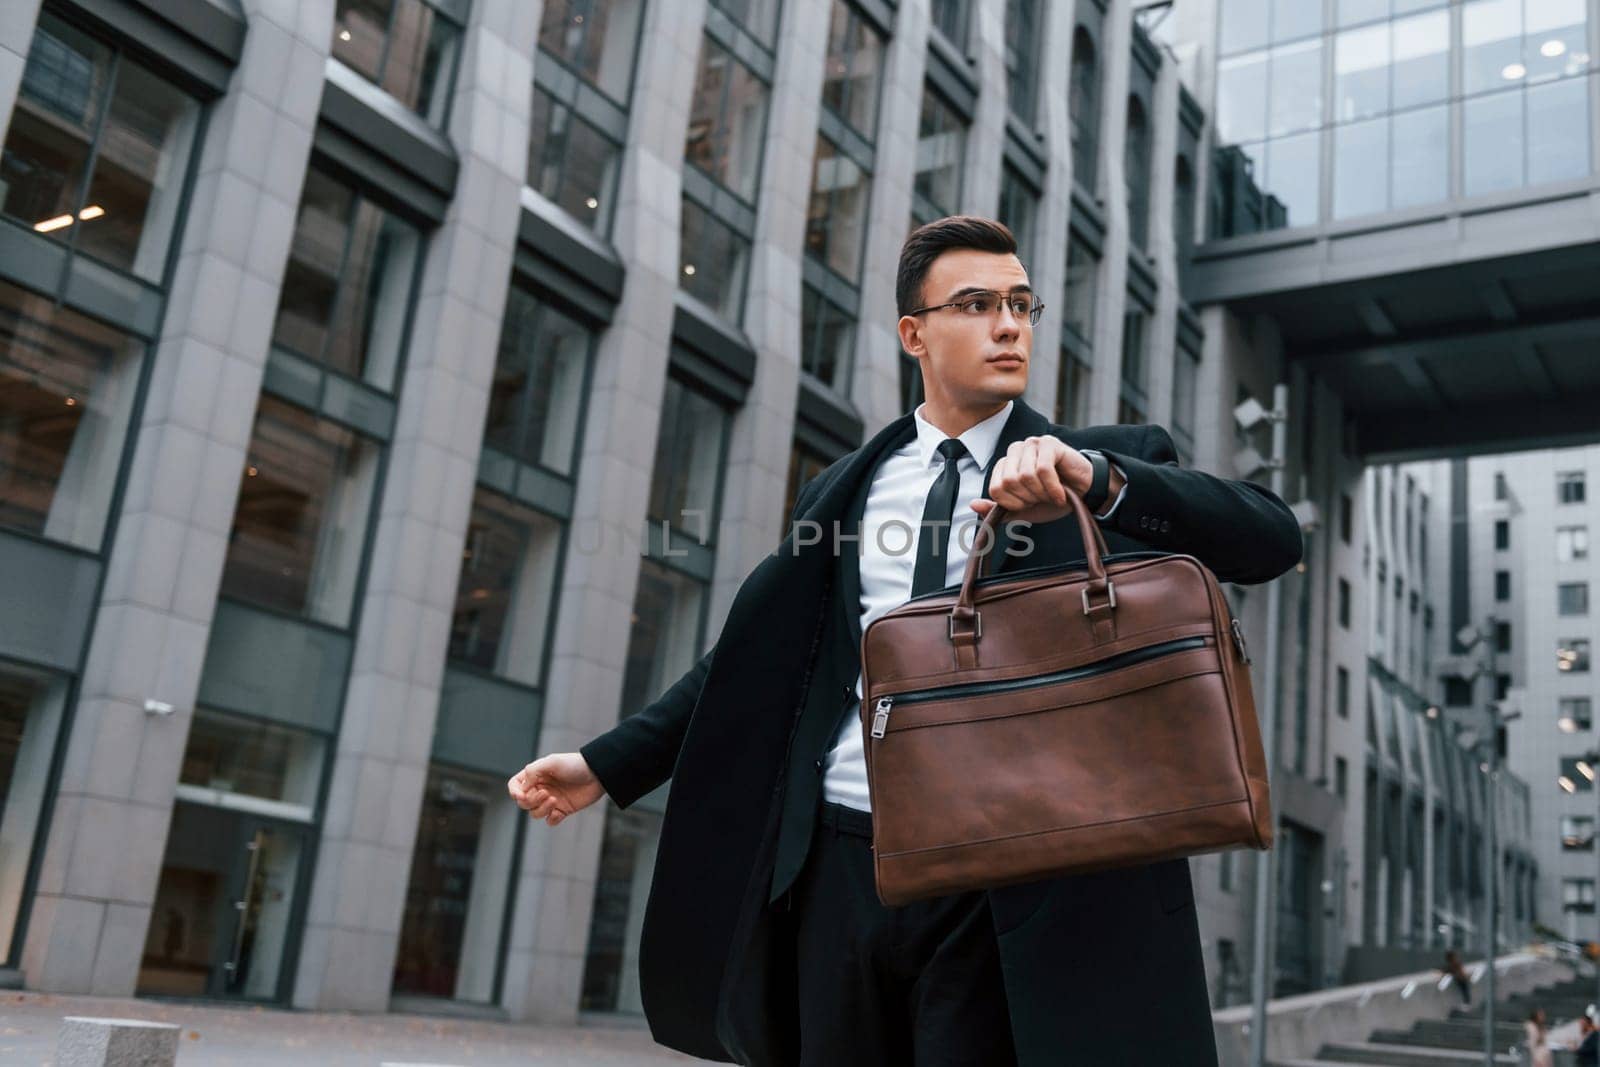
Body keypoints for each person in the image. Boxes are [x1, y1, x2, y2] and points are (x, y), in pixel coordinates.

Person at [507, 216, 1304, 1066]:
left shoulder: (1096, 464)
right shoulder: (845, 490)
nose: (1009, 325)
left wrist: (1101, 482)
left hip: (1017, 884)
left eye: (1022, 305)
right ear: (913, 333)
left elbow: (1271, 536)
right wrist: (607, 763)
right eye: (977, 304)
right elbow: (761, 660)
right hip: (843, 871)